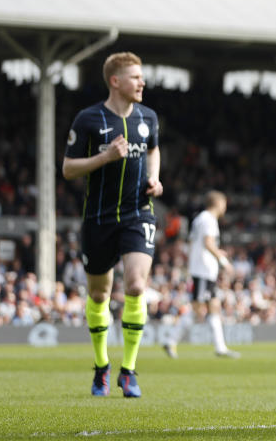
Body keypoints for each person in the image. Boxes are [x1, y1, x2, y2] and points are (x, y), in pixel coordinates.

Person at [62, 51, 163, 398]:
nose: (142, 82)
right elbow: (68, 169)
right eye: (135, 77)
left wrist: (155, 178)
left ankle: (129, 371)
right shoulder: (89, 119)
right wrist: (105, 157)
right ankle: (102, 366)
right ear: (115, 81)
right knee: (99, 294)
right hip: (98, 219)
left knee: (136, 285)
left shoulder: (148, 117)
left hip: (138, 214)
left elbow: (153, 149)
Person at [163, 190, 240, 359]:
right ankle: (171, 339)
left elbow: (195, 243)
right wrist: (223, 261)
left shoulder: (200, 219)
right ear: (218, 203)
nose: (225, 207)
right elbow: (208, 243)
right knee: (198, 309)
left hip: (203, 270)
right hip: (203, 270)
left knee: (213, 307)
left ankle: (220, 347)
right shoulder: (208, 219)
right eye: (224, 203)